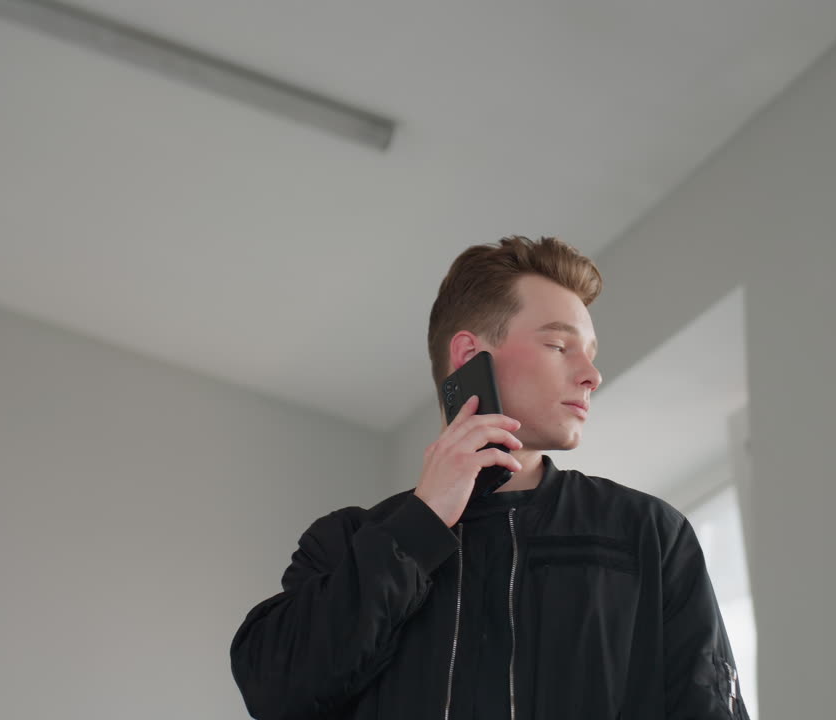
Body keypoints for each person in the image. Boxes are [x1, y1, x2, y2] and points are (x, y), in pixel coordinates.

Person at [230, 236, 749, 719]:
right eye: (559, 346)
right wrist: (422, 524)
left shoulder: (647, 536)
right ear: (469, 357)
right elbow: (277, 690)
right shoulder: (344, 543)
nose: (592, 375)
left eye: (590, 355)